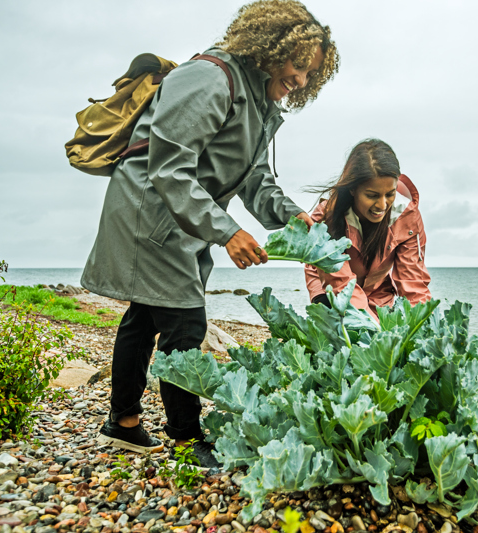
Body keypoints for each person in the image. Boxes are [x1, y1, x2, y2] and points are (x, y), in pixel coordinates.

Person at [80, 0, 339, 465]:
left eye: (310, 75)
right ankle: (185, 436)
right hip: (150, 210)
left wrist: (293, 218)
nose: (301, 80)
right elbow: (169, 167)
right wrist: (227, 232)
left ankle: (122, 423)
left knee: (144, 314)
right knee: (185, 323)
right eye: (299, 66)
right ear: (270, 45)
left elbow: (256, 179)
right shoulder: (209, 77)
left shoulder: (258, 101)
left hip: (182, 218)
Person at [304, 139, 431, 317]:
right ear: (352, 190)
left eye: (390, 194)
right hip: (330, 285)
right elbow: (341, 283)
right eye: (372, 195)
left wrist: (422, 325)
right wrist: (367, 324)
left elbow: (413, 282)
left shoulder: (407, 218)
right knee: (343, 331)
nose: (382, 205)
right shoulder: (327, 217)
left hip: (378, 291)